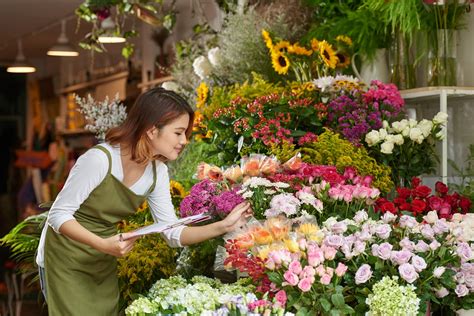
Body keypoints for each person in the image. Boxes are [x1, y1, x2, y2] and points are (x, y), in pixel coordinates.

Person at [35, 87, 252, 315]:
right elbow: (58, 215)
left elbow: (173, 234)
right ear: (151, 130)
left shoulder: (157, 172)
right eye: (178, 132)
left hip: (103, 257)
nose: (184, 140)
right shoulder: (100, 160)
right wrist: (103, 244)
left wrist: (224, 225)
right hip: (65, 257)